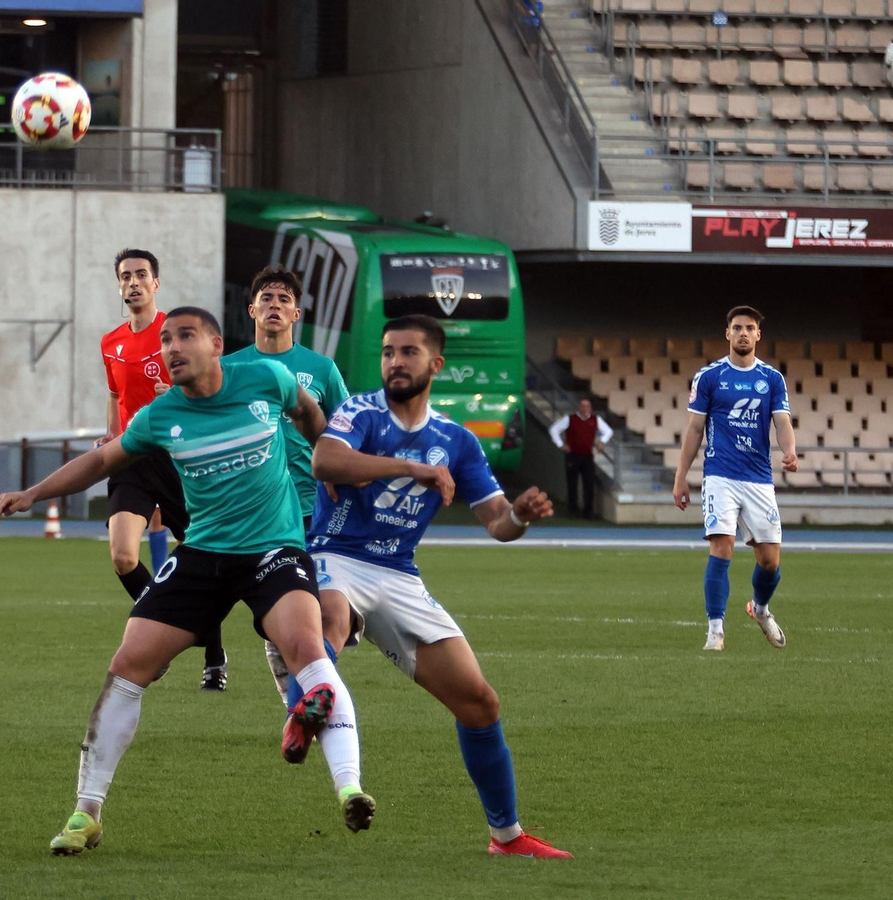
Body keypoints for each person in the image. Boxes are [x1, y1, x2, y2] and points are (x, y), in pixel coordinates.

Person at [0, 306, 378, 855]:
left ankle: (350, 789)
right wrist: (34, 493)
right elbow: (103, 461)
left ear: (217, 345)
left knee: (307, 650)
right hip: (202, 553)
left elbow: (311, 413)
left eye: (186, 336)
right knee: (129, 664)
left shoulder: (267, 378)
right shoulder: (161, 414)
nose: (171, 348)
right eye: (167, 339)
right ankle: (86, 813)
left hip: (273, 546)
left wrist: (327, 464)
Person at [274, 314, 573, 859]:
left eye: (408, 352)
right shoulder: (361, 412)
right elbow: (324, 459)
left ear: (436, 364)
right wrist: (412, 468)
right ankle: (300, 716)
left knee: (480, 702)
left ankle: (506, 839)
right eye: (388, 352)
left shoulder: (456, 440)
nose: (395, 362)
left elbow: (497, 523)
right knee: (333, 621)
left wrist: (522, 516)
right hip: (333, 554)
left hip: (400, 574)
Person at [98, 249, 228, 691]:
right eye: (125, 276)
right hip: (133, 458)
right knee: (122, 556)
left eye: (140, 275)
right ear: (119, 286)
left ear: (156, 284)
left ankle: (213, 653)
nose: (132, 282)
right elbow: (116, 397)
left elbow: (210, 383)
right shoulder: (110, 342)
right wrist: (111, 436)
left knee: (202, 556)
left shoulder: (174, 332)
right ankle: (164, 631)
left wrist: (173, 389)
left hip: (177, 456)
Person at [222, 264, 350, 696]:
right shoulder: (229, 368)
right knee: (278, 614)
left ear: (297, 314)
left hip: (314, 506)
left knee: (316, 612)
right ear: (251, 309)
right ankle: (303, 700)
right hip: (255, 512)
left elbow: (346, 433)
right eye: (267, 299)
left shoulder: (321, 368)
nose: (274, 305)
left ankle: (308, 698)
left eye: (284, 300)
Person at [672, 306, 796, 652]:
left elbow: (782, 421)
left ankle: (759, 608)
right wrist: (681, 477)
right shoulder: (709, 377)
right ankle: (715, 630)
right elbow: (695, 428)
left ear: (758, 335)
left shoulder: (772, 378)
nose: (743, 333)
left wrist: (790, 450)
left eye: (750, 328)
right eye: (737, 327)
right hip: (720, 476)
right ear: (727, 333)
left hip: (758, 478)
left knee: (770, 562)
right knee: (721, 547)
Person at [548, 398, 612, 519]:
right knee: (572, 483)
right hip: (573, 455)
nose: (584, 408)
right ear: (578, 407)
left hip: (588, 456)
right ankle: (573, 511)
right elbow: (554, 429)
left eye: (587, 406)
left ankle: (588, 511)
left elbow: (608, 431)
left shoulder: (595, 419)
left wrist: (601, 442)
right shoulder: (570, 419)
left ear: (590, 408)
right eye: (582, 406)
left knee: (589, 484)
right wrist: (560, 444)